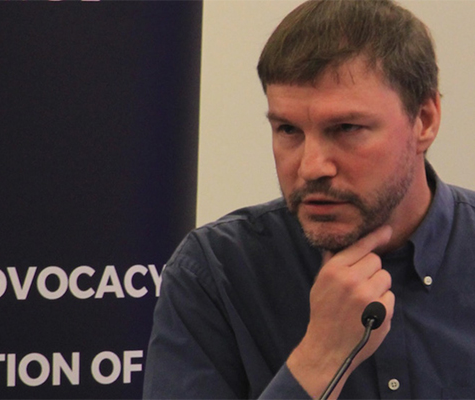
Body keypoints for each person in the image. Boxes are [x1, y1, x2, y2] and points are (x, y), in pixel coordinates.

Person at [143, 0, 475, 398]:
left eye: (346, 128)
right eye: (288, 130)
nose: (311, 166)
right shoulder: (216, 273)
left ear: (425, 120)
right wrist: (321, 356)